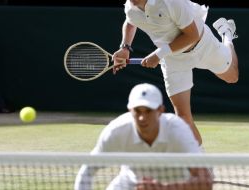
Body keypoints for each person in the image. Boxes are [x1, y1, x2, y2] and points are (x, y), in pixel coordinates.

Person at [112, 0, 239, 146]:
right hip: (173, 59)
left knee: (232, 77)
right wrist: (125, 47)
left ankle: (227, 35)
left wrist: (158, 54)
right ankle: (200, 164)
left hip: (202, 45)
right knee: (183, 118)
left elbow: (192, 35)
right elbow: (130, 22)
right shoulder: (130, 7)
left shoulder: (171, 2)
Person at [74, 83, 212, 190]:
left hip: (177, 184)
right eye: (137, 111)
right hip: (130, 182)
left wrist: (163, 188)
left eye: (148, 111)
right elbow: (87, 171)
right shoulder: (117, 130)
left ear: (160, 111)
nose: (142, 117)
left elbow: (205, 182)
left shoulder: (177, 131)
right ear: (129, 110)